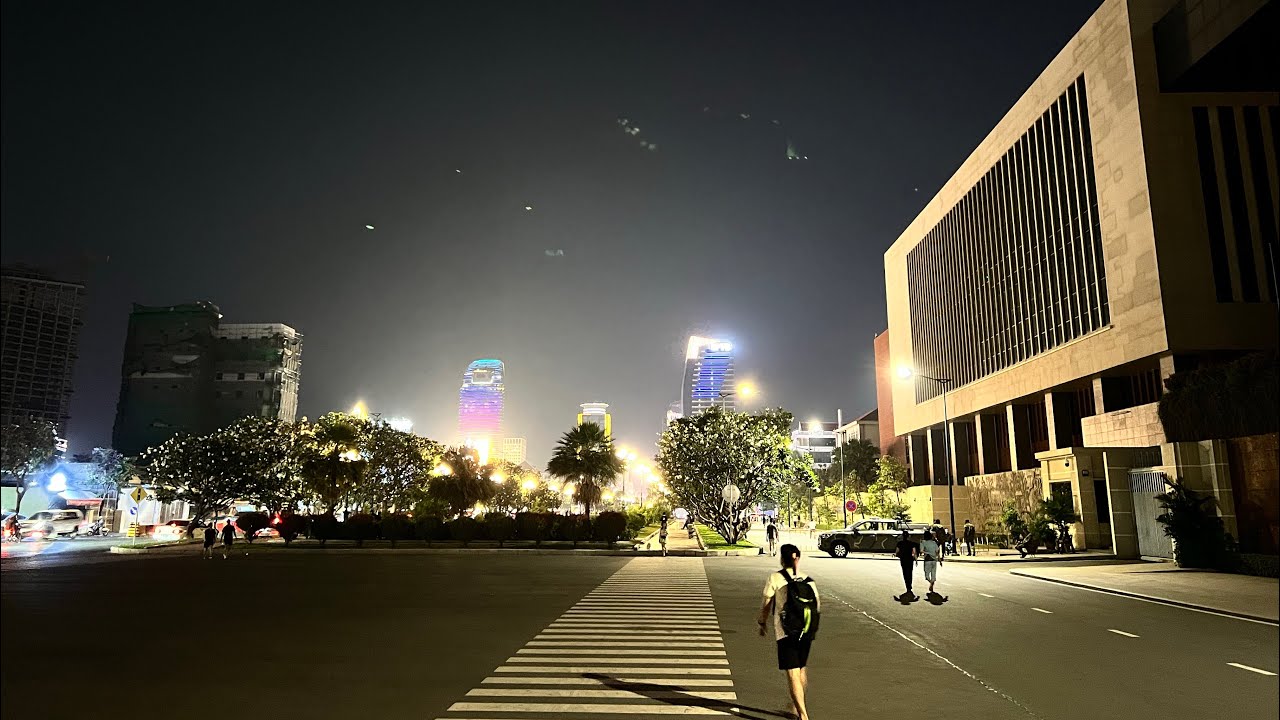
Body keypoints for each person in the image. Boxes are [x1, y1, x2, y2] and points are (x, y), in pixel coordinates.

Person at [758, 543, 818, 720]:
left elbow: (766, 604)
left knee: (792, 672)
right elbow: (817, 607)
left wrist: (762, 622)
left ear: (782, 559)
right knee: (801, 670)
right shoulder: (808, 580)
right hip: (806, 631)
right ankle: (795, 704)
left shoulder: (775, 578)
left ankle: (803, 714)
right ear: (797, 558)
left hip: (785, 632)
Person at [894, 530, 920, 597]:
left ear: (902, 536)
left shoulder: (899, 543)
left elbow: (897, 552)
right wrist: (916, 559)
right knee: (910, 572)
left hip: (903, 559)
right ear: (908, 536)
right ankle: (910, 585)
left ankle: (907, 586)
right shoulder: (911, 543)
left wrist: (897, 555)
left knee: (905, 573)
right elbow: (914, 552)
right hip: (910, 560)